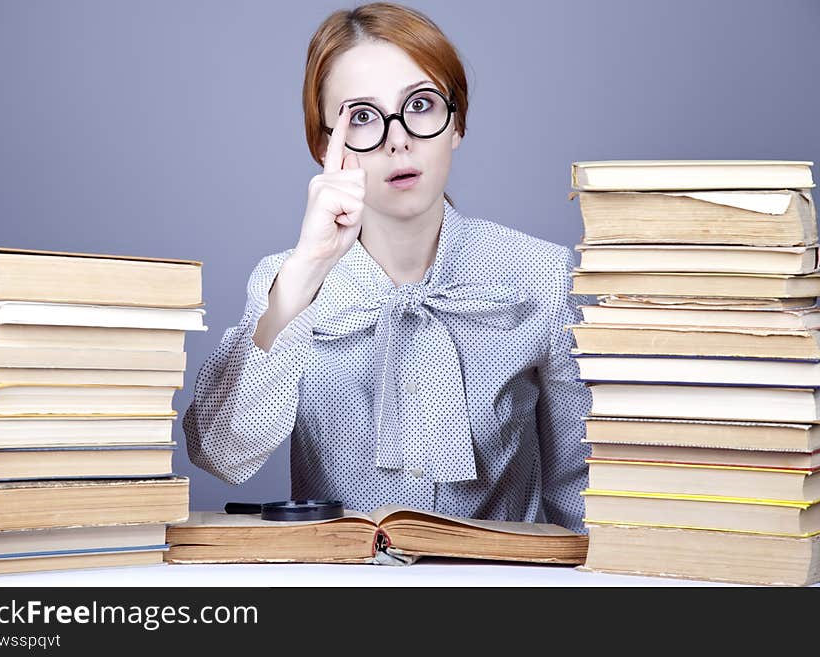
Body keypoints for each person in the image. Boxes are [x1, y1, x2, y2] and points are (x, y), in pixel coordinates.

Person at [182, 2, 592, 532]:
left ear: (457, 123)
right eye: (362, 117)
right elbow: (219, 453)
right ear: (324, 145)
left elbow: (583, 495)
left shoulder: (544, 276)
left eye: (420, 105)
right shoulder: (286, 280)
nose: (398, 139)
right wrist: (306, 272)